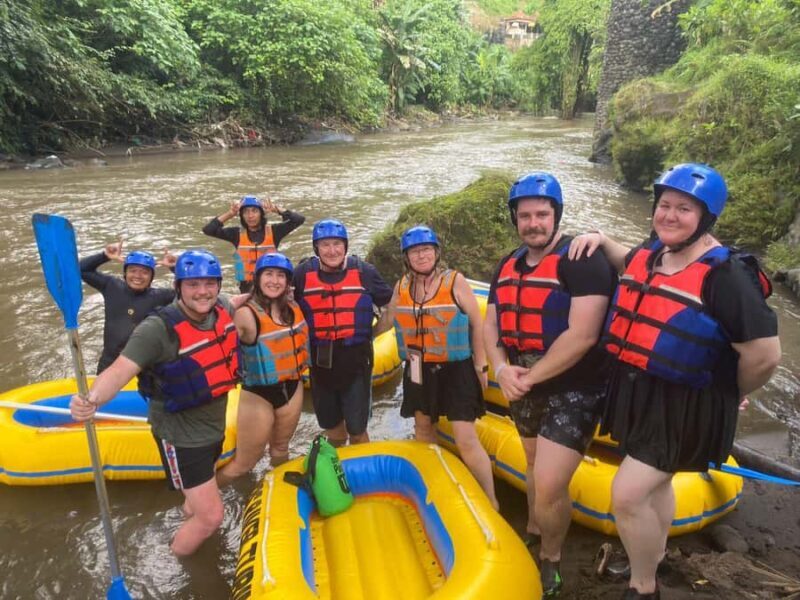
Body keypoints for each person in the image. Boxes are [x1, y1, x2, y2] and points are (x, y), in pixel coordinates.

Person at [568, 163, 781, 599]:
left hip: (687, 403)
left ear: (705, 218)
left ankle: (644, 586)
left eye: (683, 208)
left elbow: (765, 356)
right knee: (657, 485)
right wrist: (601, 239)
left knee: (626, 496)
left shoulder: (727, 276)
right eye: (664, 205)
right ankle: (654, 552)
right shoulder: (656, 252)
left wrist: (730, 392)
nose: (669, 215)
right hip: (640, 391)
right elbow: (630, 262)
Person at [483, 172, 617, 596]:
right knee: (531, 463)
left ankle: (551, 559)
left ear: (556, 215)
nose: (534, 223)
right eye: (525, 216)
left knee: (551, 481)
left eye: (542, 214)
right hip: (523, 379)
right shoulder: (506, 264)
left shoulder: (583, 259)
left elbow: (583, 334)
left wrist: (527, 377)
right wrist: (501, 369)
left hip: (576, 386)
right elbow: (491, 326)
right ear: (515, 220)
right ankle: (535, 529)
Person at [70, 250, 240, 557]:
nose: (202, 291)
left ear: (218, 285)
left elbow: (239, 300)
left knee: (199, 502)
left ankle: (190, 516)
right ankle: (180, 560)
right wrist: (90, 399)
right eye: (193, 285)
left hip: (212, 426)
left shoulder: (222, 308)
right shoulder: (156, 329)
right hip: (180, 434)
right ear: (178, 287)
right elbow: (120, 370)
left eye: (209, 283)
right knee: (211, 517)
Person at [375, 225, 498, 508]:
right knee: (423, 429)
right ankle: (434, 489)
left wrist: (481, 365)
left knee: (466, 438)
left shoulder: (454, 281)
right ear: (407, 258)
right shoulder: (402, 286)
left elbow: (477, 323)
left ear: (436, 252)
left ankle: (491, 501)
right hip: (419, 368)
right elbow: (389, 320)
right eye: (415, 252)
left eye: (426, 250)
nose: (421, 256)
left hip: (456, 369)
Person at [293, 219, 393, 446]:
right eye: (325, 245)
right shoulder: (301, 274)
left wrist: (375, 331)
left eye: (337, 244)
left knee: (357, 430)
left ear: (345, 246)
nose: (332, 250)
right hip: (320, 362)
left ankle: (363, 473)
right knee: (332, 428)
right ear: (316, 248)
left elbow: (391, 304)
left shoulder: (365, 272)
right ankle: (338, 472)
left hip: (356, 359)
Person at [217, 253, 308, 486]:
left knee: (280, 448)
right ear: (257, 279)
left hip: (292, 386)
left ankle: (279, 491)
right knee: (244, 464)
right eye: (268, 274)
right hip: (258, 394)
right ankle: (204, 500)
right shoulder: (246, 314)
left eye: (280, 276)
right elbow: (214, 333)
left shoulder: (294, 307)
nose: (274, 281)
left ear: (288, 282)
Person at [80, 240, 176, 373]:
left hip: (145, 365)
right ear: (125, 273)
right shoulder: (112, 286)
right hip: (110, 362)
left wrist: (175, 268)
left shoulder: (160, 296)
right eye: (133, 271)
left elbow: (190, 293)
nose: (137, 276)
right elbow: (81, 269)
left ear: (151, 277)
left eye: (144, 272)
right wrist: (105, 255)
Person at [202, 195, 305, 292]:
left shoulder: (275, 232)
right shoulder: (236, 234)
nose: (250, 216)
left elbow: (299, 219)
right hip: (247, 288)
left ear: (261, 214)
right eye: (246, 212)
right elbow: (208, 230)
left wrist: (276, 209)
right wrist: (230, 214)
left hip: (271, 286)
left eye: (254, 211)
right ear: (242, 216)